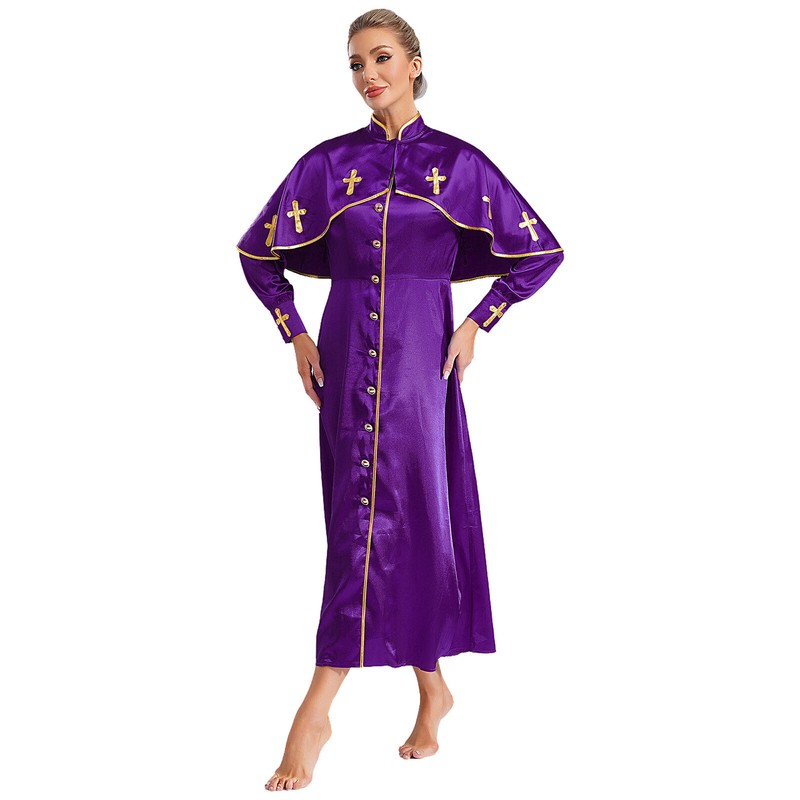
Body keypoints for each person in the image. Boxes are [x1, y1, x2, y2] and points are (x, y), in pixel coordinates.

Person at [236, 9, 564, 792]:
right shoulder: (327, 164)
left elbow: (542, 251)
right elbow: (256, 253)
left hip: (422, 364)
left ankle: (329, 707)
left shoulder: (460, 164)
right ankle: (415, 690)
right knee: (355, 518)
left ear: (415, 64)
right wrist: (294, 332)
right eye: (355, 63)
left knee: (416, 517)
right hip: (345, 356)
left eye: (381, 58)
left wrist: (480, 321)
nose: (368, 75)